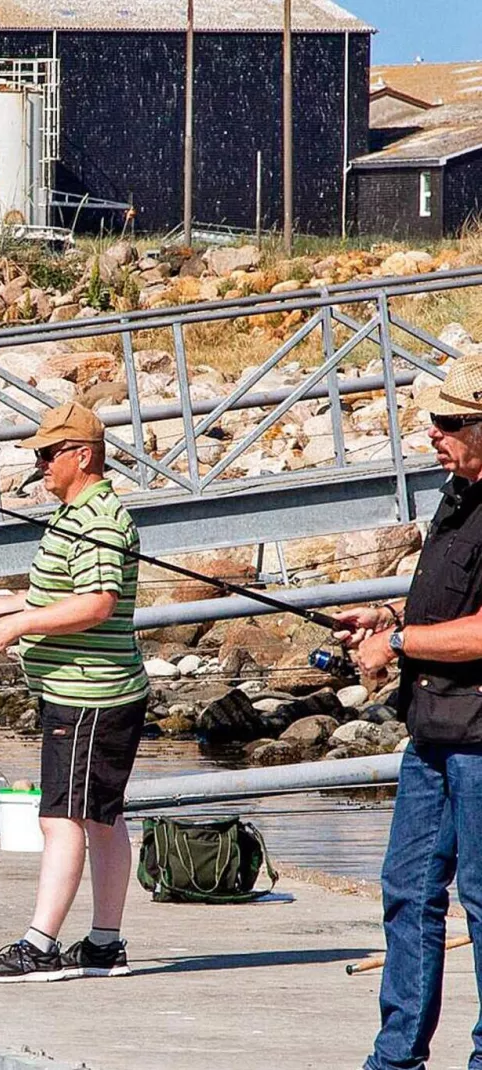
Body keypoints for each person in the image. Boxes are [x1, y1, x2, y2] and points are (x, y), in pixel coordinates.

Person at [0, 402, 148, 983]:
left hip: (90, 695)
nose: (40, 465)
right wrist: (2, 604)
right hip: (89, 692)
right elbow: (62, 596)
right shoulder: (76, 515)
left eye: (48, 454)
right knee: (100, 817)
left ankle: (40, 946)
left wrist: (17, 626)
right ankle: (104, 944)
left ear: (83, 456)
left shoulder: (98, 519)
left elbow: (97, 604)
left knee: (62, 818)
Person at [336, 356, 482, 1070]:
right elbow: (447, 604)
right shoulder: (457, 494)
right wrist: (388, 613)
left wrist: (395, 642)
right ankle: (396, 1058)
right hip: (431, 733)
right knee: (408, 890)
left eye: (451, 422)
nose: (434, 432)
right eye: (434, 419)